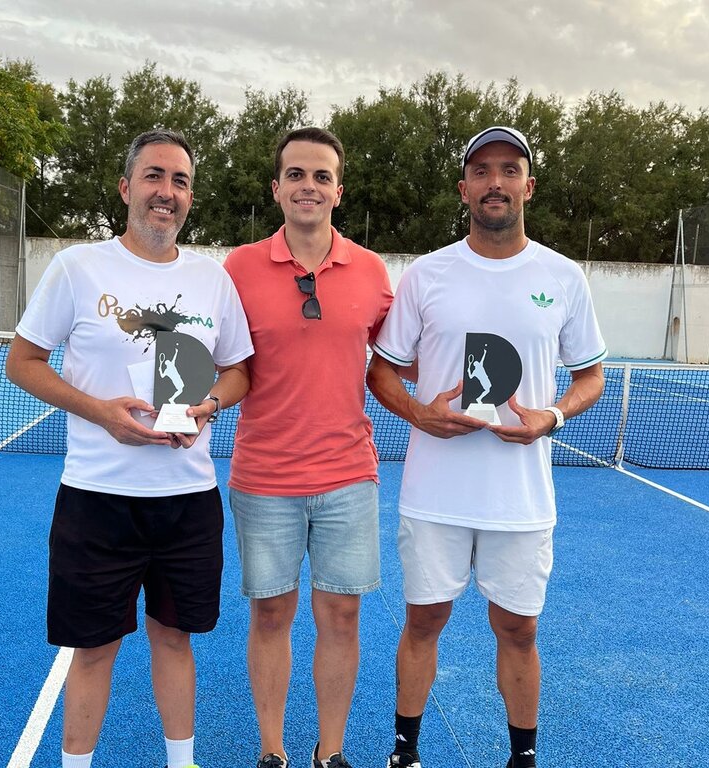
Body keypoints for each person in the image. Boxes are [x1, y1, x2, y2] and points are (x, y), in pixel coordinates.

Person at [6, 129, 253, 768]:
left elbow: (238, 371)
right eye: (154, 176)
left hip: (188, 501)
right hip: (97, 500)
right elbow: (22, 362)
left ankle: (182, 762)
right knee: (93, 650)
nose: (166, 192)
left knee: (175, 640)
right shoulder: (77, 267)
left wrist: (210, 406)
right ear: (125, 188)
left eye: (180, 181)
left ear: (190, 197)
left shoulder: (212, 279)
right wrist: (101, 414)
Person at [366, 126, 607, 768]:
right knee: (423, 622)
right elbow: (382, 370)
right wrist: (420, 414)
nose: (494, 182)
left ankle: (522, 758)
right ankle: (404, 752)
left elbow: (591, 377)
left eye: (509, 170)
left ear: (529, 186)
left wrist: (551, 416)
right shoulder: (426, 275)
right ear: (463, 188)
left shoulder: (563, 276)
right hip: (434, 495)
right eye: (481, 171)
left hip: (520, 498)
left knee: (519, 630)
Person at [222, 127, 393, 768]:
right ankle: (272, 752)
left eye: (322, 176)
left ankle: (331, 752)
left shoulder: (372, 272)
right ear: (276, 188)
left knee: (342, 616)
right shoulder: (238, 269)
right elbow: (220, 360)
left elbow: (400, 357)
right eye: (296, 174)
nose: (308, 186)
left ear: (338, 192)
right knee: (271, 615)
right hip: (263, 477)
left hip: (349, 476)